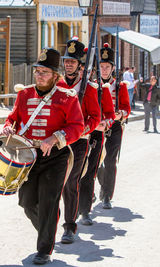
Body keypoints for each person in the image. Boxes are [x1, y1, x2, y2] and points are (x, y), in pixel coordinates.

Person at [3, 48, 84, 265]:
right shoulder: (24, 94)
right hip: (29, 154)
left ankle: (45, 248)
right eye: (37, 71)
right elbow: (13, 118)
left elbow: (77, 126)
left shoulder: (67, 97)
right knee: (26, 202)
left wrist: (56, 138)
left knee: (49, 201)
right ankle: (48, 229)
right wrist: (9, 127)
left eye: (45, 72)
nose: (39, 76)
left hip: (56, 156)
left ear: (55, 76)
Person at [56, 37, 101, 244]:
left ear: (80, 65)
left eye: (72, 62)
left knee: (71, 183)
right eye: (66, 61)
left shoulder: (89, 88)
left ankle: (69, 226)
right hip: (59, 140)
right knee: (56, 182)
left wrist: (86, 127)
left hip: (80, 141)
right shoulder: (56, 85)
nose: (68, 65)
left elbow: (95, 117)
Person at [78, 43, 116, 225]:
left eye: (87, 67)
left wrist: (104, 124)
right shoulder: (69, 86)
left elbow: (110, 115)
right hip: (73, 136)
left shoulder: (101, 87)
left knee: (88, 173)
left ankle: (84, 210)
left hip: (93, 136)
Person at [96, 43, 131, 210]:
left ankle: (107, 195)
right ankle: (98, 186)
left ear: (112, 68)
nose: (104, 70)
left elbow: (126, 108)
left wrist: (120, 114)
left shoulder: (120, 86)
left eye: (107, 67)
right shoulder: (93, 86)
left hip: (115, 126)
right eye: (101, 66)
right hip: (97, 126)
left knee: (110, 160)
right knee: (95, 161)